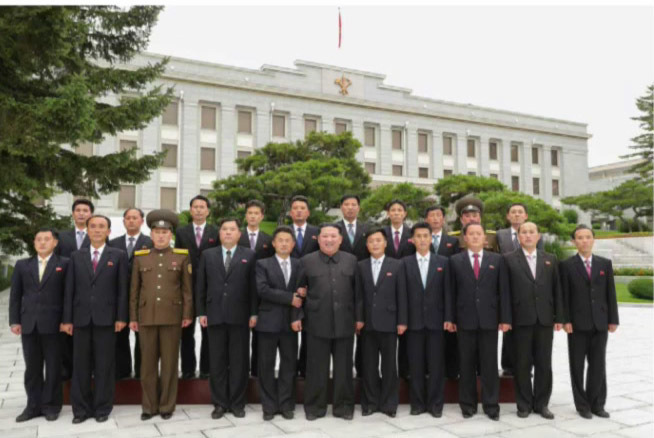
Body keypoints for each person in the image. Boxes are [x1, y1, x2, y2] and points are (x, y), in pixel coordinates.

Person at [292, 223, 363, 421]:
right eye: (325, 236)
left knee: (344, 368)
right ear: (318, 239)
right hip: (316, 324)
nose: (329, 240)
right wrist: (296, 317)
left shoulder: (351, 260)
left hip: (345, 323)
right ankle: (315, 407)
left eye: (333, 236)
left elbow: (358, 294)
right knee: (316, 368)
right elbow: (298, 292)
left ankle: (343, 407)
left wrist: (359, 318)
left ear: (340, 239)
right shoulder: (306, 261)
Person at [63, 215, 128, 424]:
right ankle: (80, 410)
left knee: (104, 366)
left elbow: (122, 290)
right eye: (93, 226)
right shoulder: (76, 256)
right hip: (80, 319)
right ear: (87, 230)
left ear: (109, 231)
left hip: (107, 319)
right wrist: (67, 319)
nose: (97, 230)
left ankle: (102, 408)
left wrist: (121, 317)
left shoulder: (117, 255)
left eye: (102, 227)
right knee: (80, 366)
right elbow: (69, 290)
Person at [129, 209, 193, 421]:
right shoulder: (141, 258)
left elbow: (186, 290)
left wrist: (187, 314)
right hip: (146, 317)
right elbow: (134, 291)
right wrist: (133, 317)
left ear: (171, 235)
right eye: (157, 232)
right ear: (151, 234)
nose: (161, 236)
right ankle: (148, 407)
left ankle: (166, 406)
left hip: (172, 317)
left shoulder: (181, 257)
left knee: (169, 364)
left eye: (165, 232)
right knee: (147, 366)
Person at [196, 218, 257, 419]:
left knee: (239, 361)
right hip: (214, 315)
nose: (228, 233)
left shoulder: (250, 255)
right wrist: (201, 312)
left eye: (232, 229)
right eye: (224, 229)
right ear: (219, 233)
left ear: (240, 234)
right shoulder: (207, 255)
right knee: (217, 361)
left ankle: (238, 403)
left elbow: (253, 288)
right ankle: (220, 403)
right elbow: (201, 286)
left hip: (240, 316)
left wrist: (253, 313)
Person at [450, 223, 511, 421]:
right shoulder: (455, 261)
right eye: (471, 234)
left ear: (485, 238)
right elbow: (450, 293)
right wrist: (450, 319)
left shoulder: (497, 260)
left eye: (479, 234)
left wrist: (504, 318)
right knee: (465, 364)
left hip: (489, 320)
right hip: (464, 320)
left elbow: (503, 292)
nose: (475, 237)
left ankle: (491, 404)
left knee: (489, 364)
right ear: (464, 238)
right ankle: (467, 405)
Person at [504, 222, 563, 419]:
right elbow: (504, 293)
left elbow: (557, 290)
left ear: (538, 236)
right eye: (524, 232)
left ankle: (542, 403)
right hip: (519, 320)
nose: (528, 236)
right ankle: (524, 404)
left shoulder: (550, 259)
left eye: (532, 232)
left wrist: (559, 317)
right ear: (518, 237)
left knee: (544, 363)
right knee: (521, 363)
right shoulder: (509, 260)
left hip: (544, 319)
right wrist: (506, 318)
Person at [10, 228, 69, 422]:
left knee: (53, 367)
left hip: (54, 324)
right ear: (34, 243)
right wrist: (15, 320)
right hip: (29, 324)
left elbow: (68, 296)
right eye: (38, 240)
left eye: (47, 239)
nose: (42, 243)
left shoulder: (65, 264)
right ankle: (32, 406)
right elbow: (16, 295)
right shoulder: (22, 265)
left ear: (55, 243)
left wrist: (66, 320)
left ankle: (51, 406)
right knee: (32, 368)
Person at [560, 225, 619, 419]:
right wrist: (565, 320)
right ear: (574, 242)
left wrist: (613, 319)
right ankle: (582, 405)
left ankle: (597, 404)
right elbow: (564, 296)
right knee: (577, 366)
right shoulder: (567, 265)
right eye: (580, 237)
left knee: (598, 365)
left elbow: (611, 293)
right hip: (576, 324)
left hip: (600, 322)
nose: (584, 241)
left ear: (593, 240)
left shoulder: (604, 264)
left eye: (587, 237)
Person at [400, 222, 453, 417]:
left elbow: (448, 292)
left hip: (437, 322)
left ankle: (435, 404)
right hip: (413, 323)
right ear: (412, 240)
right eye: (418, 236)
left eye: (425, 236)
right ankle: (417, 403)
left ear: (431, 238)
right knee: (415, 365)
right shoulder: (404, 263)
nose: (422, 240)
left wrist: (449, 317)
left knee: (436, 364)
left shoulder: (443, 262)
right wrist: (403, 320)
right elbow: (402, 295)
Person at [356, 226, 406, 418]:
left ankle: (389, 403)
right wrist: (359, 318)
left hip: (390, 323)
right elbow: (358, 296)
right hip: (367, 324)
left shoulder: (397, 265)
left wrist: (402, 321)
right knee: (369, 365)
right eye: (371, 241)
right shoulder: (361, 266)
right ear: (367, 245)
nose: (375, 244)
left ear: (385, 243)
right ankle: (369, 402)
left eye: (378, 240)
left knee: (389, 366)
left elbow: (402, 295)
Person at [255, 226, 300, 421]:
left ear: (293, 244)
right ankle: (269, 405)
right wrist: (290, 298)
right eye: (280, 240)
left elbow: (303, 292)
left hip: (291, 323)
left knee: (289, 365)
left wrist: (298, 315)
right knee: (266, 365)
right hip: (268, 322)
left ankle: (286, 403)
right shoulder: (262, 264)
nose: (283, 243)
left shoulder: (300, 264)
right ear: (273, 243)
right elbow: (262, 290)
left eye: (287, 240)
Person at [174, 195, 219, 379]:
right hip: (187, 287)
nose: (199, 210)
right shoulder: (181, 232)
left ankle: (207, 369)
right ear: (190, 210)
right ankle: (188, 370)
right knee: (186, 332)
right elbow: (177, 258)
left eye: (202, 207)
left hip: (210, 288)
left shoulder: (216, 232)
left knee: (208, 332)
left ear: (208, 211)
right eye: (195, 207)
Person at [497, 202, 544, 376]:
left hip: (528, 288)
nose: (517, 215)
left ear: (526, 216)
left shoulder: (535, 235)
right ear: (508, 216)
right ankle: (508, 364)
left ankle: (527, 366)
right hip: (507, 282)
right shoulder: (500, 235)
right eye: (513, 212)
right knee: (508, 330)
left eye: (520, 212)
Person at [108, 207, 153, 379]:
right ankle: (122, 370)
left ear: (142, 221)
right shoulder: (113, 243)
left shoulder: (150, 243)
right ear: (123, 221)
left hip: (142, 297)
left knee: (142, 336)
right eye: (128, 218)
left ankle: (142, 371)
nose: (131, 221)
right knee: (119, 335)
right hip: (118, 296)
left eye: (135, 218)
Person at [55, 198, 93, 380]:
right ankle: (66, 371)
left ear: (91, 214)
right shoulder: (62, 237)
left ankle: (87, 371)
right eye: (78, 210)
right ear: (72, 214)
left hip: (88, 291)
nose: (81, 213)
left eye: (85, 210)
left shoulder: (97, 235)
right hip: (65, 290)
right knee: (65, 333)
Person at [238, 199, 273, 378]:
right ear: (246, 216)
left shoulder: (268, 239)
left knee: (259, 333)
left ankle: (257, 370)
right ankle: (241, 369)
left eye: (256, 213)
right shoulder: (237, 236)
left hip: (261, 291)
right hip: (240, 290)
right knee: (241, 334)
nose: (252, 216)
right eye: (249, 213)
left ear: (262, 216)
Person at [424, 205, 460, 380]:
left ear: (443, 219)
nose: (435, 219)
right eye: (432, 215)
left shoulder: (452, 242)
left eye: (439, 215)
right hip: (424, 296)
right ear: (426, 219)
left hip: (445, 293)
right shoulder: (419, 239)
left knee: (448, 340)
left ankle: (451, 372)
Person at [337, 194, 369, 377]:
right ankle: (344, 370)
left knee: (362, 331)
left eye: (353, 204)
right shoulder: (334, 229)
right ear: (341, 207)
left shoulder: (368, 229)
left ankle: (361, 369)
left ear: (359, 207)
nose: (350, 207)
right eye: (346, 204)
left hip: (363, 283)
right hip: (339, 284)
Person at [383, 199, 415, 380]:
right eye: (392, 210)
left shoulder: (413, 234)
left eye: (399, 210)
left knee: (405, 334)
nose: (396, 213)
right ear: (388, 214)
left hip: (408, 286)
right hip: (385, 288)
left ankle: (405, 372)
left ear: (405, 214)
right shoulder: (381, 234)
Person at [288, 195, 320, 378]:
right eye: (295, 208)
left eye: (302, 208)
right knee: (289, 331)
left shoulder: (317, 232)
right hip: (288, 285)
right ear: (291, 212)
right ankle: (291, 368)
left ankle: (306, 368)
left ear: (308, 212)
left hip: (311, 288)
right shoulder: (283, 232)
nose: (299, 210)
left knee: (309, 332)